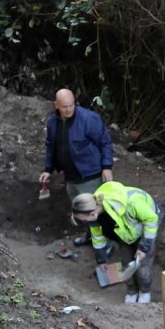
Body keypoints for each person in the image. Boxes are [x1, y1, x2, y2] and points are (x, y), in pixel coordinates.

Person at [39, 88, 114, 247]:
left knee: (96, 211)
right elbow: (51, 147)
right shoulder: (53, 123)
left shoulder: (89, 119)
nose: (69, 109)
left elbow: (105, 142)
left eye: (71, 105)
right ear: (56, 105)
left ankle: (106, 244)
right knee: (82, 211)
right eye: (64, 106)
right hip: (71, 177)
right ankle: (91, 236)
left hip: (91, 175)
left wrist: (107, 166)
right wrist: (48, 169)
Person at [70, 181, 163, 303]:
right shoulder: (95, 217)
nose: (84, 223)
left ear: (92, 213)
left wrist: (144, 247)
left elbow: (151, 220)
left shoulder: (130, 202)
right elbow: (98, 238)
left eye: (83, 220)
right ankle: (132, 291)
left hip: (145, 227)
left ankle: (144, 292)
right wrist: (101, 259)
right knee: (126, 264)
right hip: (125, 232)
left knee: (142, 266)